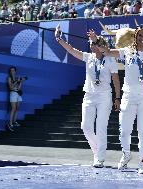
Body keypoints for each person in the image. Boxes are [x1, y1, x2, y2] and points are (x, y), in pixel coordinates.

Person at [95, 25, 143, 174]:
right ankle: (126, 154)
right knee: (124, 131)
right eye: (139, 35)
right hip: (128, 96)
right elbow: (107, 52)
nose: (142, 38)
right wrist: (96, 41)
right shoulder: (127, 51)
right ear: (135, 36)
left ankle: (142, 162)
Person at [55, 25, 121, 168]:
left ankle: (100, 158)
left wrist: (117, 97)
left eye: (94, 43)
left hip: (104, 96)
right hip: (89, 96)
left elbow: (116, 80)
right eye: (91, 43)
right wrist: (59, 39)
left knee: (101, 127)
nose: (91, 45)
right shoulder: (88, 57)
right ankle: (97, 152)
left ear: (100, 45)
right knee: (85, 126)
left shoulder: (110, 59)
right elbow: (71, 50)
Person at [7, 66, 26, 131]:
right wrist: (16, 82)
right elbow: (11, 88)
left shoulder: (16, 78)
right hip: (13, 94)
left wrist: (21, 82)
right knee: (13, 108)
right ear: (10, 72)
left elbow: (19, 88)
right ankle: (10, 124)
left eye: (13, 70)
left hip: (18, 94)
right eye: (11, 70)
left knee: (17, 108)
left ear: (15, 71)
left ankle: (14, 122)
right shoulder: (9, 78)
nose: (12, 71)